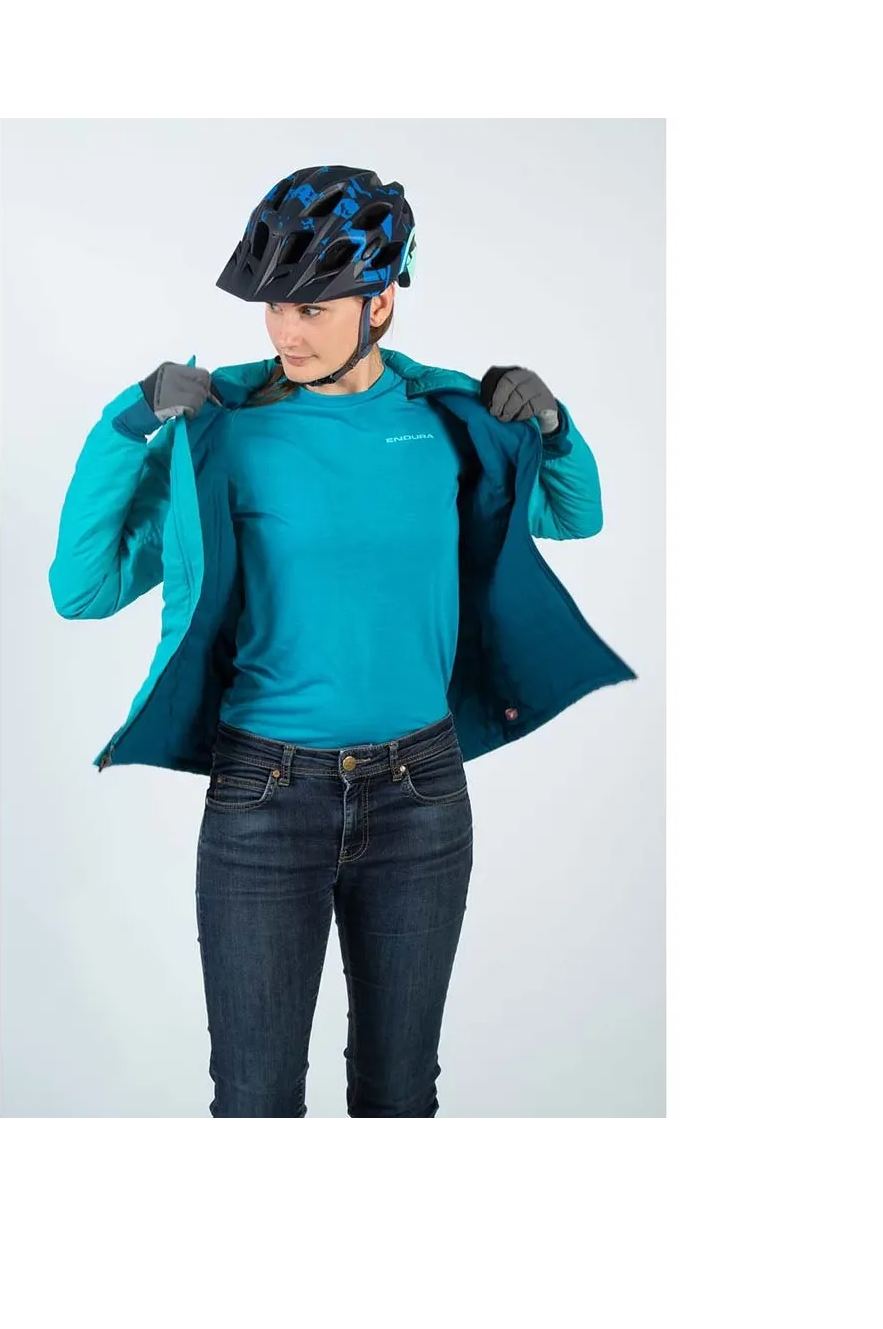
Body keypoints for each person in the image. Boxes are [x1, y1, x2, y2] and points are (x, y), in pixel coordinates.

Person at [48, 164, 637, 1122]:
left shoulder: (447, 422)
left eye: (312, 308)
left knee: (399, 1100)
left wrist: (553, 425)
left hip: (422, 798)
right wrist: (128, 425)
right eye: (273, 305)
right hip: (263, 801)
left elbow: (576, 516)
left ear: (381, 303)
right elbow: (83, 588)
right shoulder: (225, 434)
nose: (285, 331)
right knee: (255, 1105)